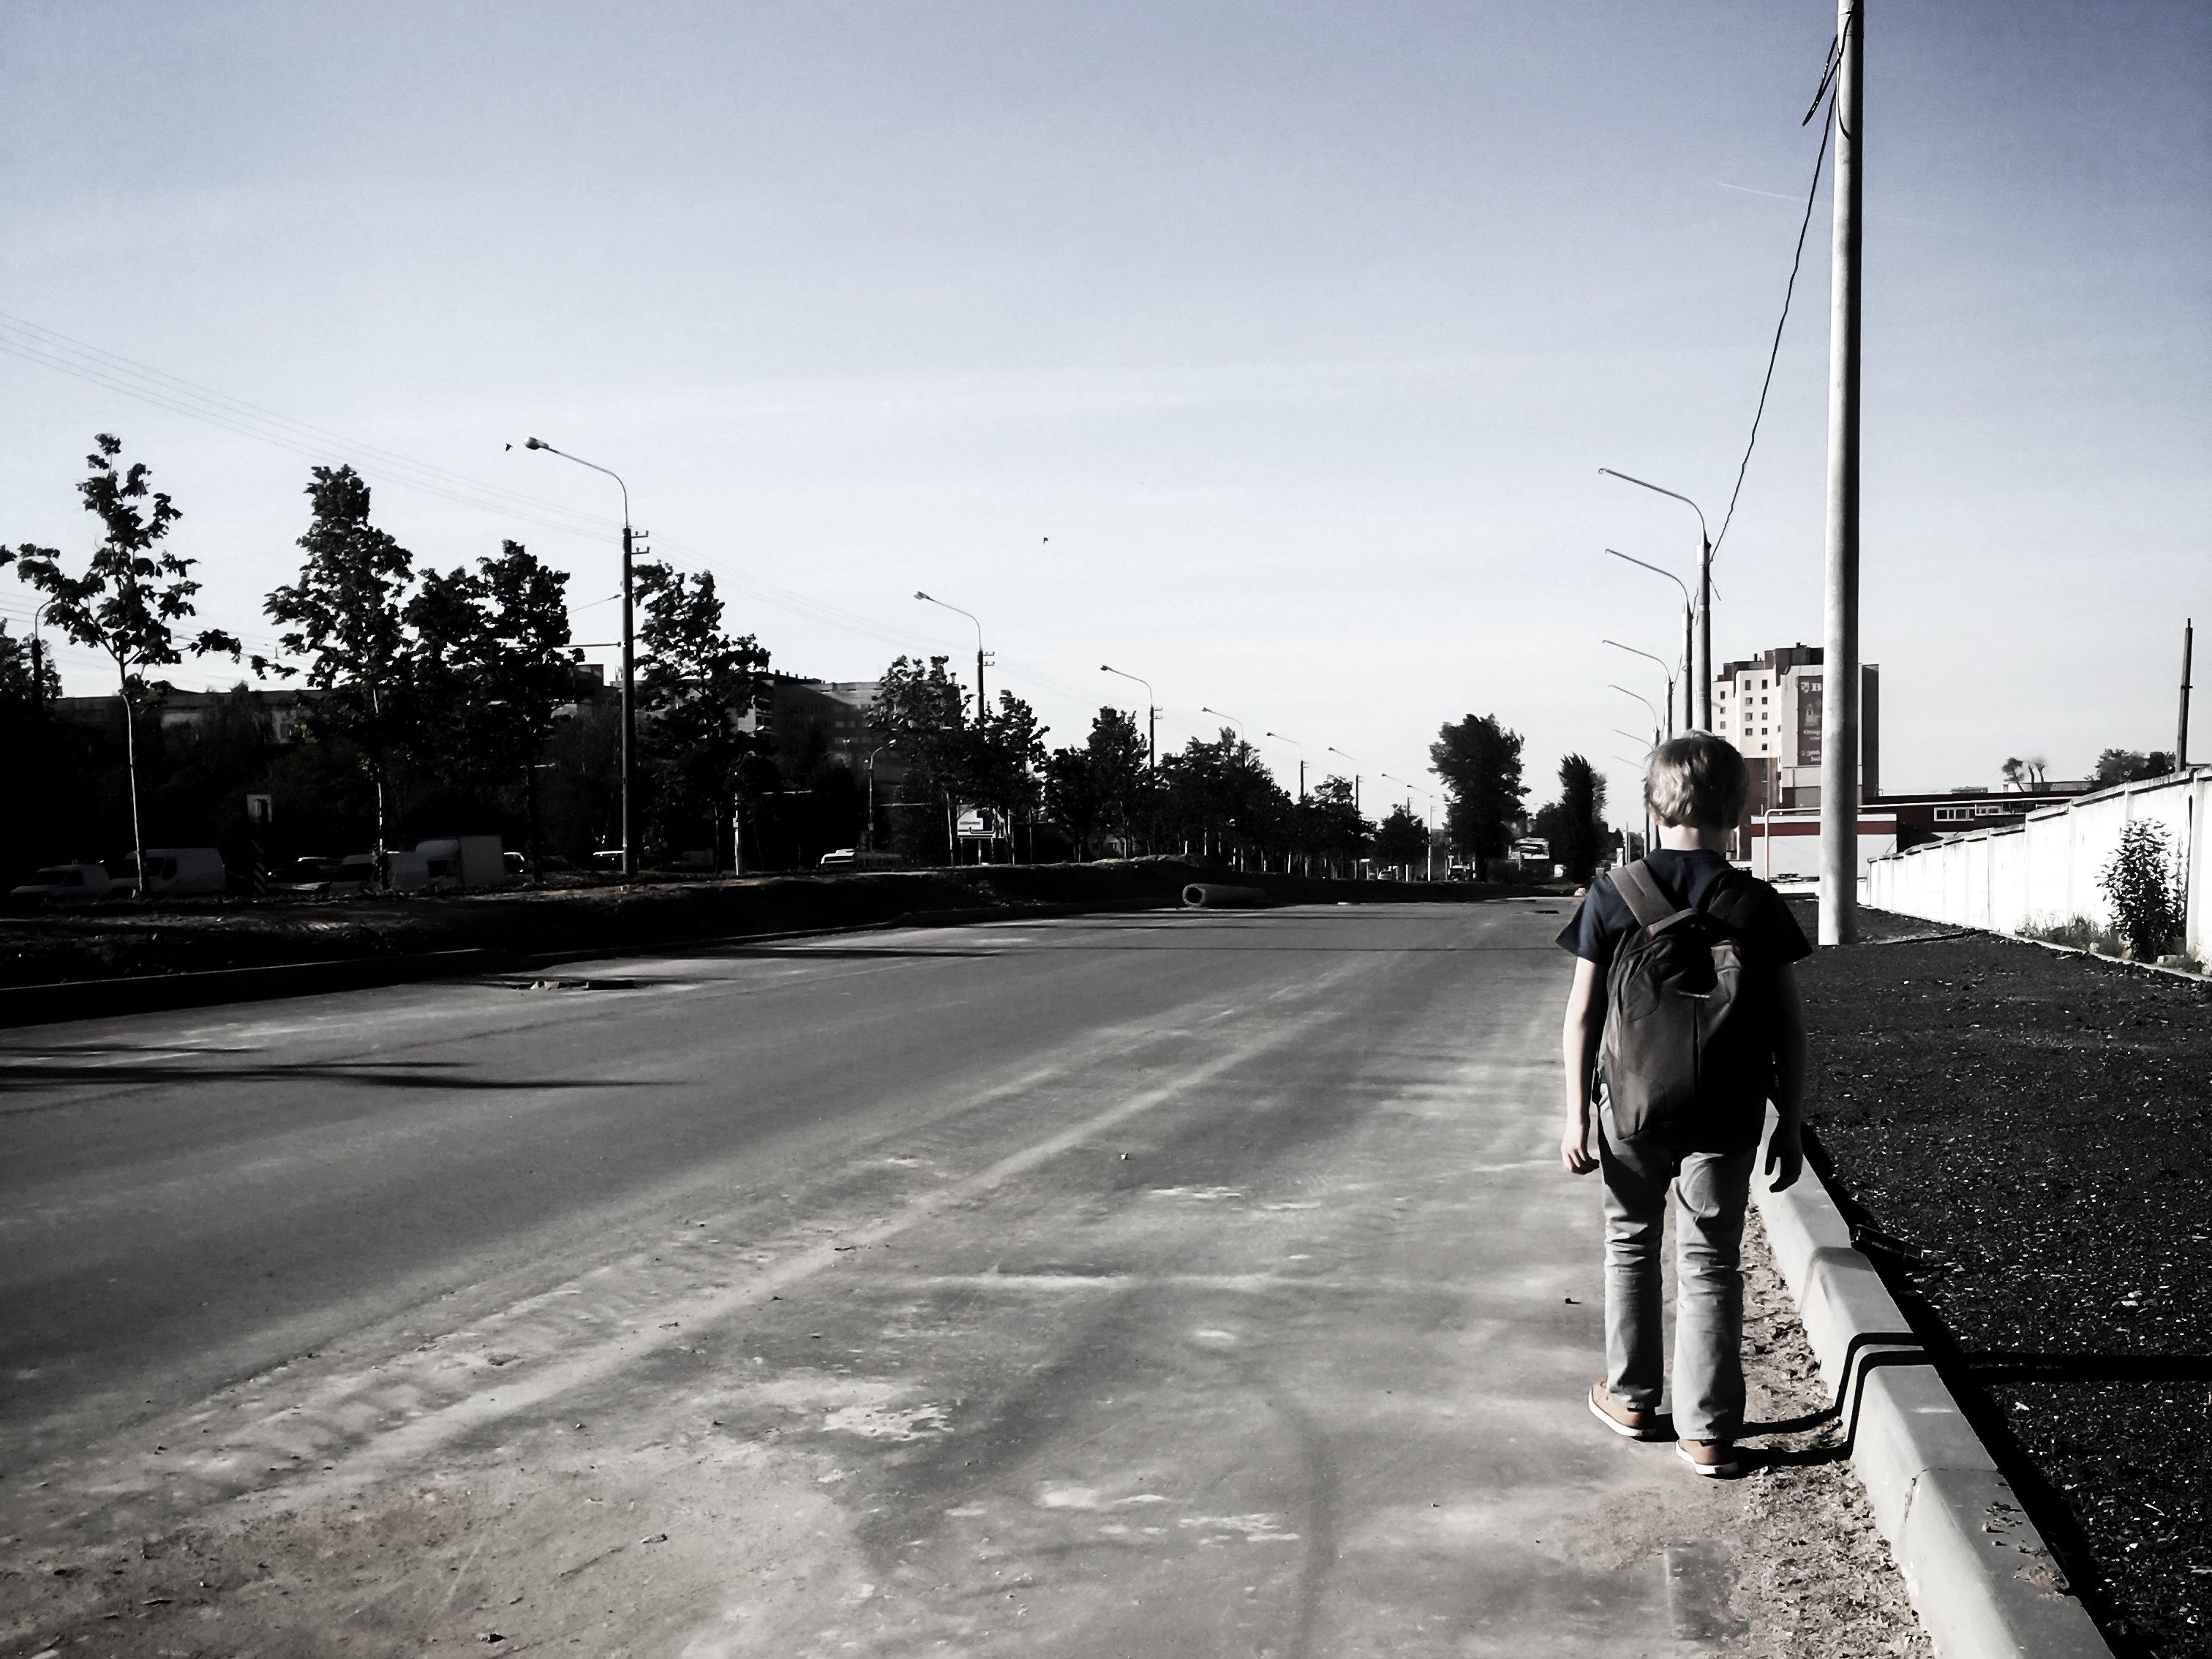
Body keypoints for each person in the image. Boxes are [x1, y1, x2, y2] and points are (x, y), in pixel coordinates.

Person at [1555, 732, 1810, 1478]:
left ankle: (1632, 1398)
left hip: (1629, 1106)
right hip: (1726, 1111)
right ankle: (1709, 1433)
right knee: (1712, 1262)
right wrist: (1788, 1121)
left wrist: (1575, 1114)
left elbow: (1582, 1017)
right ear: (1739, 810)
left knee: (1631, 1242)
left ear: (1652, 804)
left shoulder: (1613, 894)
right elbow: (1790, 1030)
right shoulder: (1756, 904)